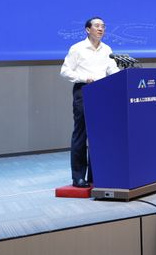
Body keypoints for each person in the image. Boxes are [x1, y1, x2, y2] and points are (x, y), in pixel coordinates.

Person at [60, 17, 119, 188]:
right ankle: (78, 177)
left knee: (99, 135)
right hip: (84, 91)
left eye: (103, 26)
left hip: (103, 92)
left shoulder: (107, 49)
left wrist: (122, 76)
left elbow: (112, 70)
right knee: (81, 134)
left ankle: (96, 174)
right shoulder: (77, 48)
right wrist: (84, 78)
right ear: (88, 29)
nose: (101, 29)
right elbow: (64, 71)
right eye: (97, 26)